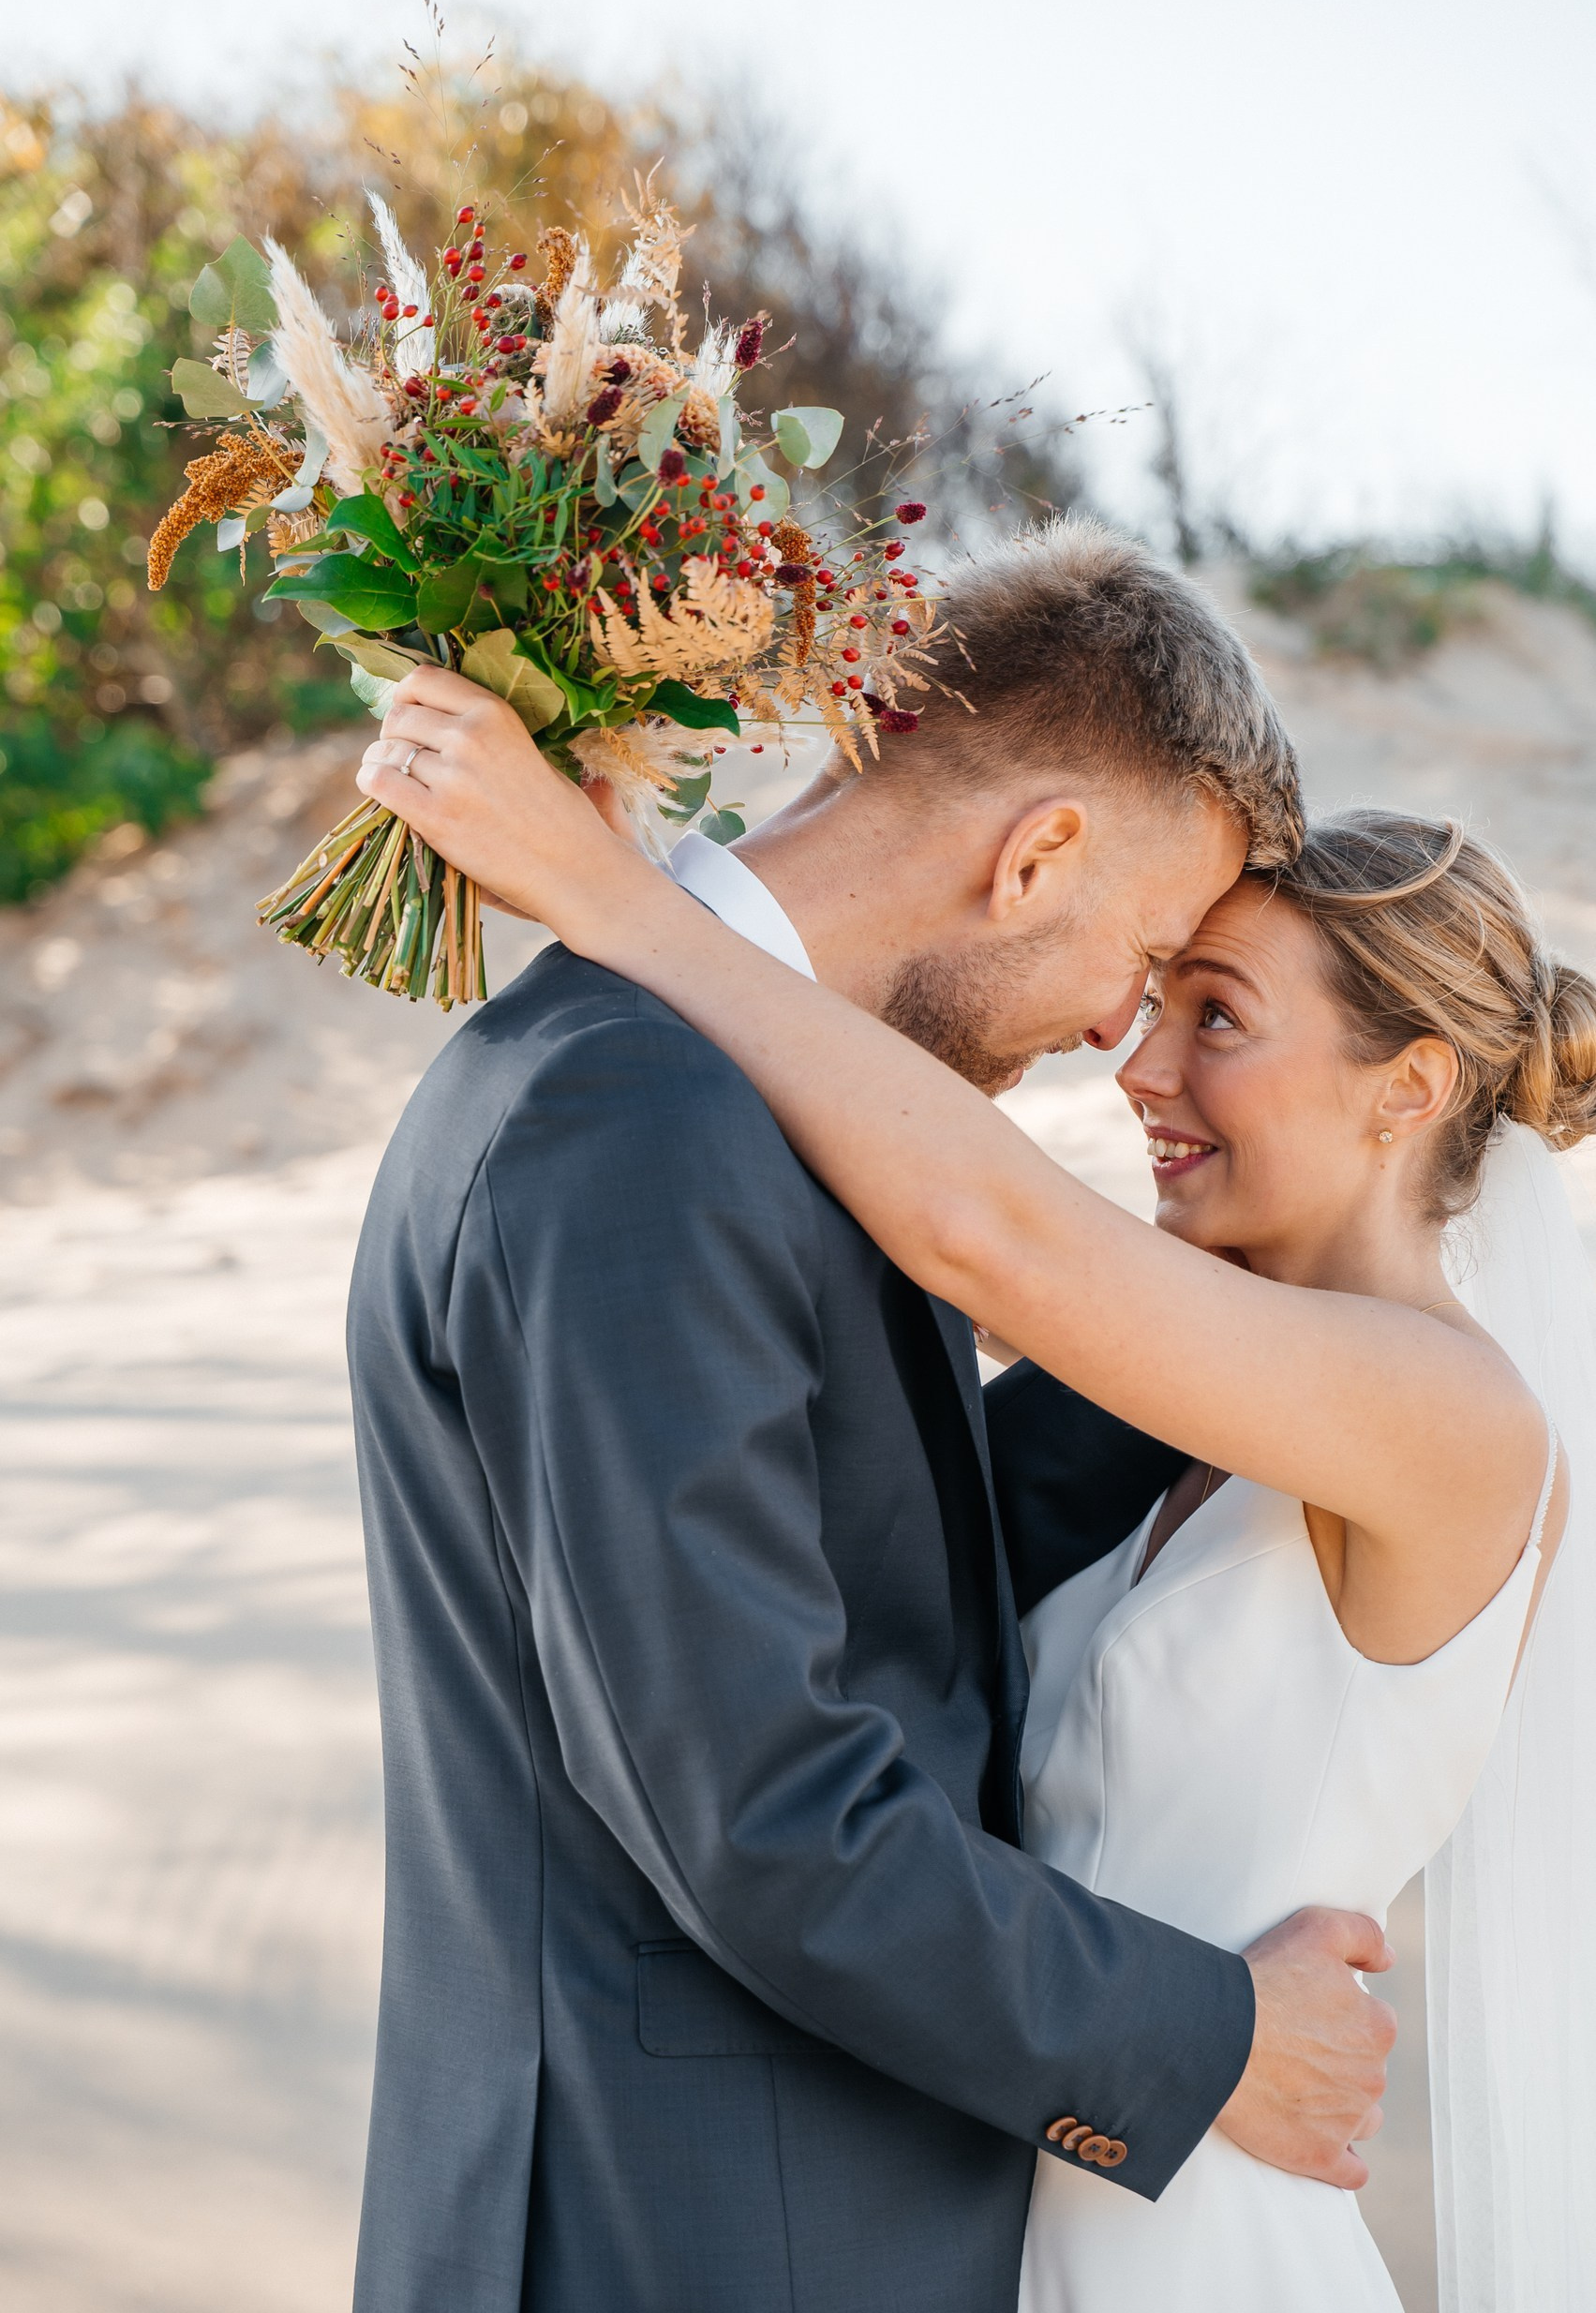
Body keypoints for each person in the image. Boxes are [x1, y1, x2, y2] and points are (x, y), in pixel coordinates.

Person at [360, 563, 1596, 2311]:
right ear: (1034, 856)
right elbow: (767, 1807)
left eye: (1203, 1006)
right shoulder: (634, 1113)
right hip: (708, 2230)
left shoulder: (1404, 1401)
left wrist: (621, 900)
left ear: (1409, 1090)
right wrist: (1213, 2036)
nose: (1128, 1048)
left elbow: (993, 1269)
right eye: (1154, 970)